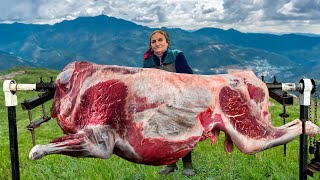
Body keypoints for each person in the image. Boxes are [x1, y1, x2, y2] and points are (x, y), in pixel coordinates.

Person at [142, 29, 195, 176]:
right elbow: (146, 83)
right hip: (160, 102)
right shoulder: (147, 61)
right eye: (154, 41)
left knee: (183, 132)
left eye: (160, 40)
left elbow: (188, 76)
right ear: (151, 45)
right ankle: (170, 164)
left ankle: (187, 164)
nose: (157, 43)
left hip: (179, 99)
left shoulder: (177, 55)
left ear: (167, 42)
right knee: (164, 133)